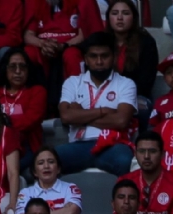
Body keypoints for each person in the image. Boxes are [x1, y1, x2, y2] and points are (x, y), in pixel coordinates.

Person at [57, 34, 136, 176]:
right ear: (86, 59)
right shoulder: (72, 82)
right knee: (50, 159)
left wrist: (81, 115)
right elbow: (66, 116)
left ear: (114, 57)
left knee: (125, 160)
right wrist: (103, 111)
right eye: (93, 56)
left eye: (104, 56)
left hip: (112, 145)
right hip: (79, 146)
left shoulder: (126, 83)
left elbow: (121, 121)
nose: (99, 61)